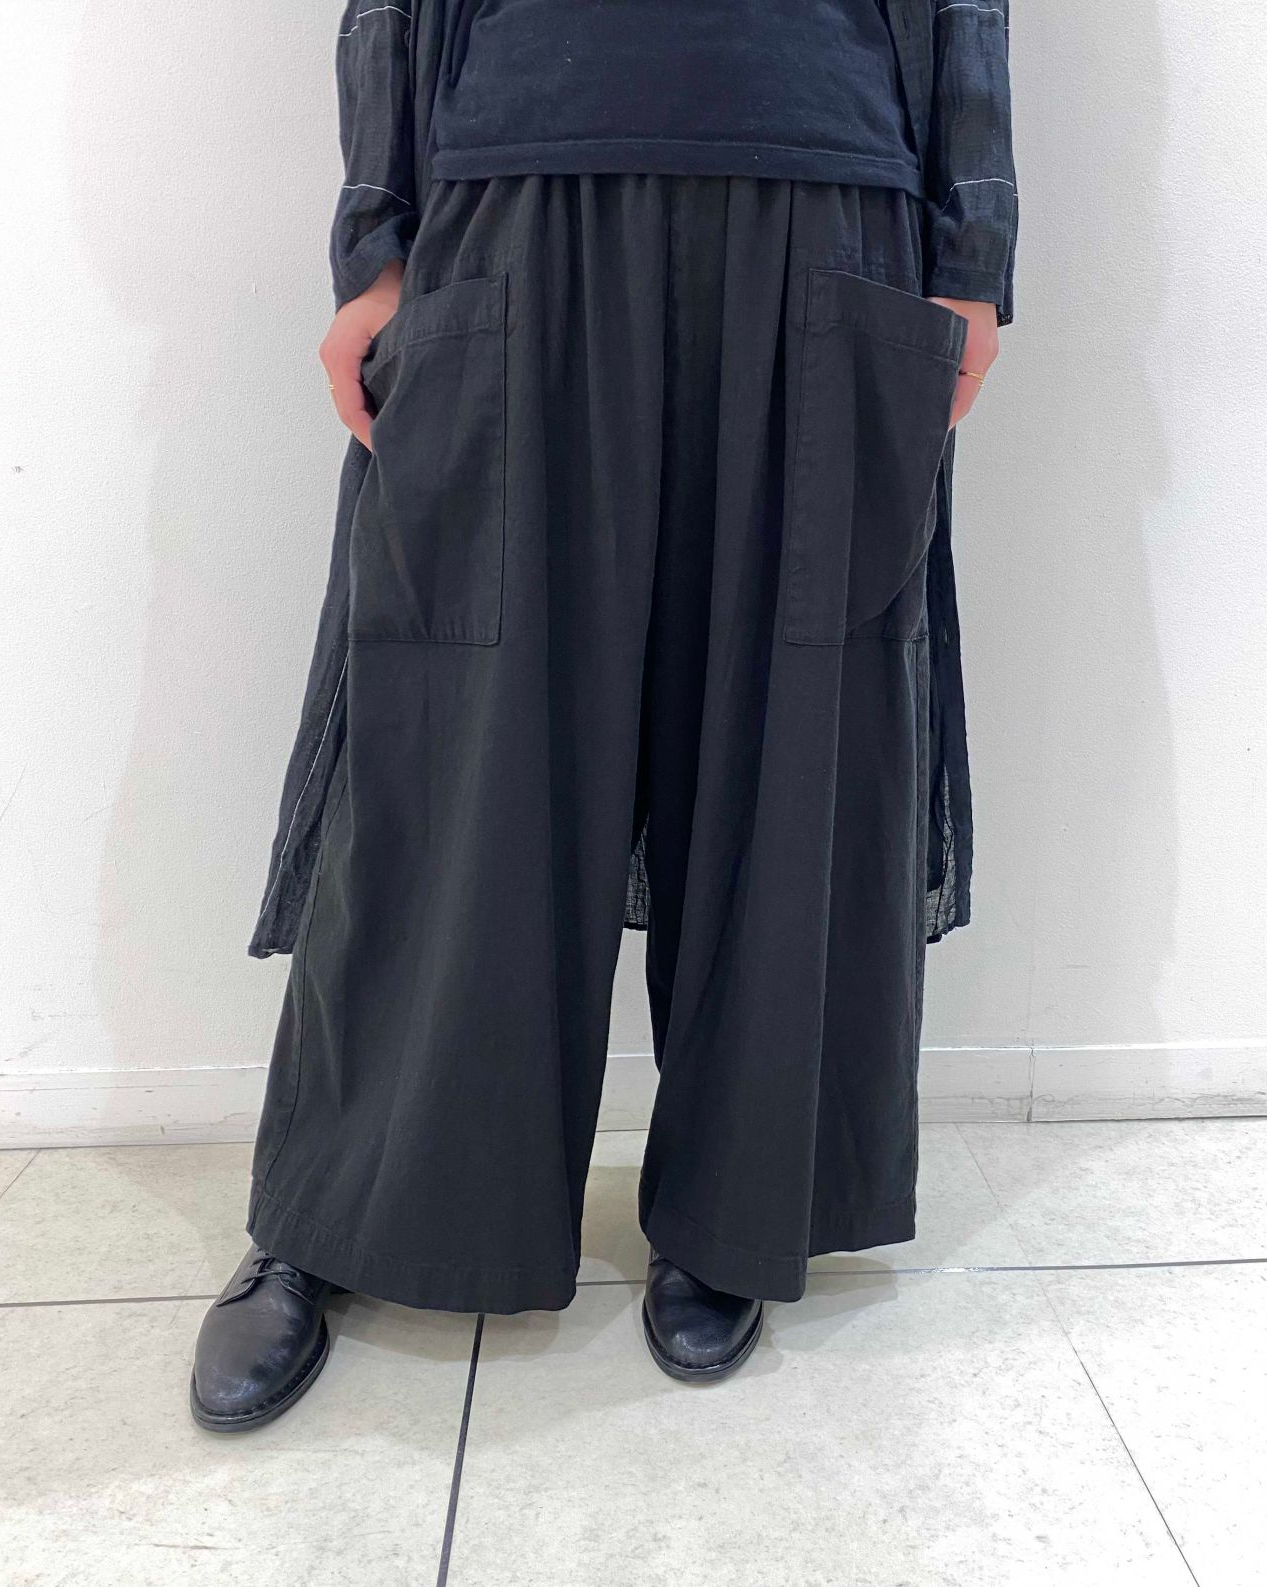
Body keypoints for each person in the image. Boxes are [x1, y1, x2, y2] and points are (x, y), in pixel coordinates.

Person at [191, 0, 1017, 1431]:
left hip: (825, 181)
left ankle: (735, 1209)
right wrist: (376, 244)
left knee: (789, 737)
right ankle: (350, 1205)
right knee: (452, 739)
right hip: (518, 178)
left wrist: (976, 253)